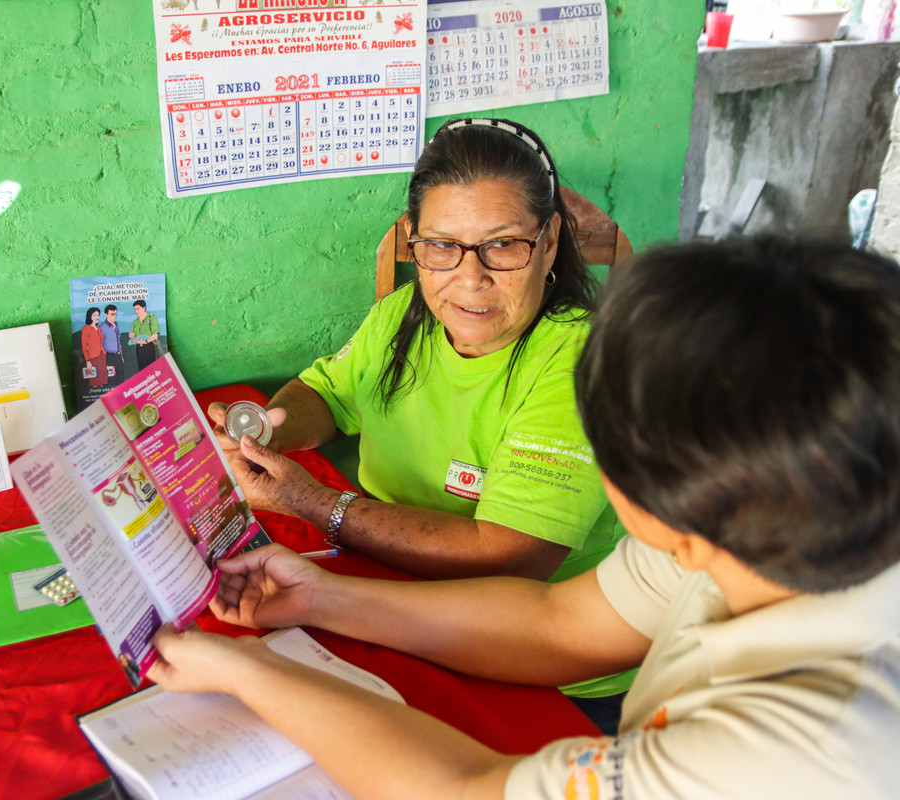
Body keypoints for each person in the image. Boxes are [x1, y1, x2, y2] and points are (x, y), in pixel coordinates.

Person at [151, 236, 900, 799]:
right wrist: (320, 596)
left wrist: (250, 673)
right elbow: (558, 625)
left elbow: (469, 787)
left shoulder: (786, 752)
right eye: (441, 246)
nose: (467, 275)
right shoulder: (763, 518)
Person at [209, 118, 632, 718]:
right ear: (414, 241)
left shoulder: (579, 362)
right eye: (441, 246)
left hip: (543, 664)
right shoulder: (405, 315)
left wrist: (314, 504)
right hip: (391, 598)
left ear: (551, 241)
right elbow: (327, 394)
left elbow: (510, 555)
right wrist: (261, 428)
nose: (470, 277)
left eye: (504, 244)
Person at [129, 299, 161, 371]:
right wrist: (131, 334)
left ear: (144, 308)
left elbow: (155, 334)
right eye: (135, 309)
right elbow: (132, 333)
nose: (136, 311)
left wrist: (146, 341)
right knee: (141, 369)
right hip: (138, 348)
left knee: (151, 369)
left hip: (149, 346)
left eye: (138, 309)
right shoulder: (135, 321)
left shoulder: (151, 318)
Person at [81, 306, 106, 387]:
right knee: (95, 380)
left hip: (102, 356)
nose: (97, 317)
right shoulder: (86, 328)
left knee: (102, 380)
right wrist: (88, 361)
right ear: (90, 316)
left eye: (98, 315)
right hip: (93, 358)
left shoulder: (98, 328)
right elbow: (84, 346)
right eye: (94, 315)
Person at [100, 304, 124, 385]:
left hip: (118, 356)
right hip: (108, 357)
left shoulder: (116, 325)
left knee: (121, 378)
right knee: (111, 379)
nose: (115, 316)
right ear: (106, 314)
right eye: (112, 314)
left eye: (115, 314)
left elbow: (119, 342)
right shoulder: (102, 328)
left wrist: (121, 356)